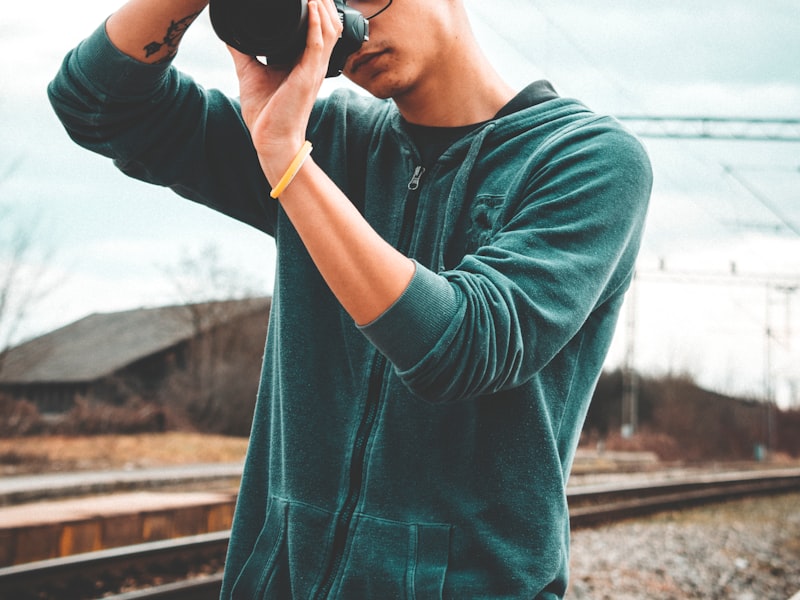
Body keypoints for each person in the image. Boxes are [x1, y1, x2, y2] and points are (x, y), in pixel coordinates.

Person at [48, 0, 652, 596]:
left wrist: (292, 167)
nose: (341, 27)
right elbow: (97, 104)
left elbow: (462, 346)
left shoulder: (589, 160)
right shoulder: (324, 136)